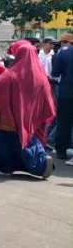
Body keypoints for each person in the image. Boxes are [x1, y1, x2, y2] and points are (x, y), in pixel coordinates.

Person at [0, 41, 55, 178]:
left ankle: (4, 168)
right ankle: (41, 164)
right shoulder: (40, 74)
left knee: (4, 143)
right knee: (28, 140)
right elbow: (46, 96)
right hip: (31, 116)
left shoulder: (12, 73)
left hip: (8, 117)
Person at [52, 33, 73, 165]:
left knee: (63, 122)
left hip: (66, 92)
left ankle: (61, 150)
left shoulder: (63, 53)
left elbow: (55, 73)